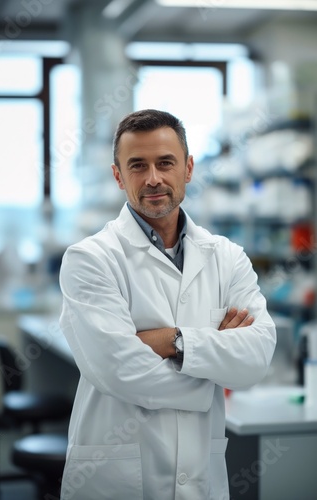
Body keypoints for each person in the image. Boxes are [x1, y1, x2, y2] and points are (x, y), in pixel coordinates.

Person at [59, 109, 276, 500]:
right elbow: (119, 369)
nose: (153, 178)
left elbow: (256, 357)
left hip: (201, 476)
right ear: (118, 176)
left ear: (189, 168)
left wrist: (171, 341)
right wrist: (213, 364)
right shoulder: (90, 259)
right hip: (117, 478)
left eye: (166, 163)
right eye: (137, 165)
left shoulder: (227, 257)